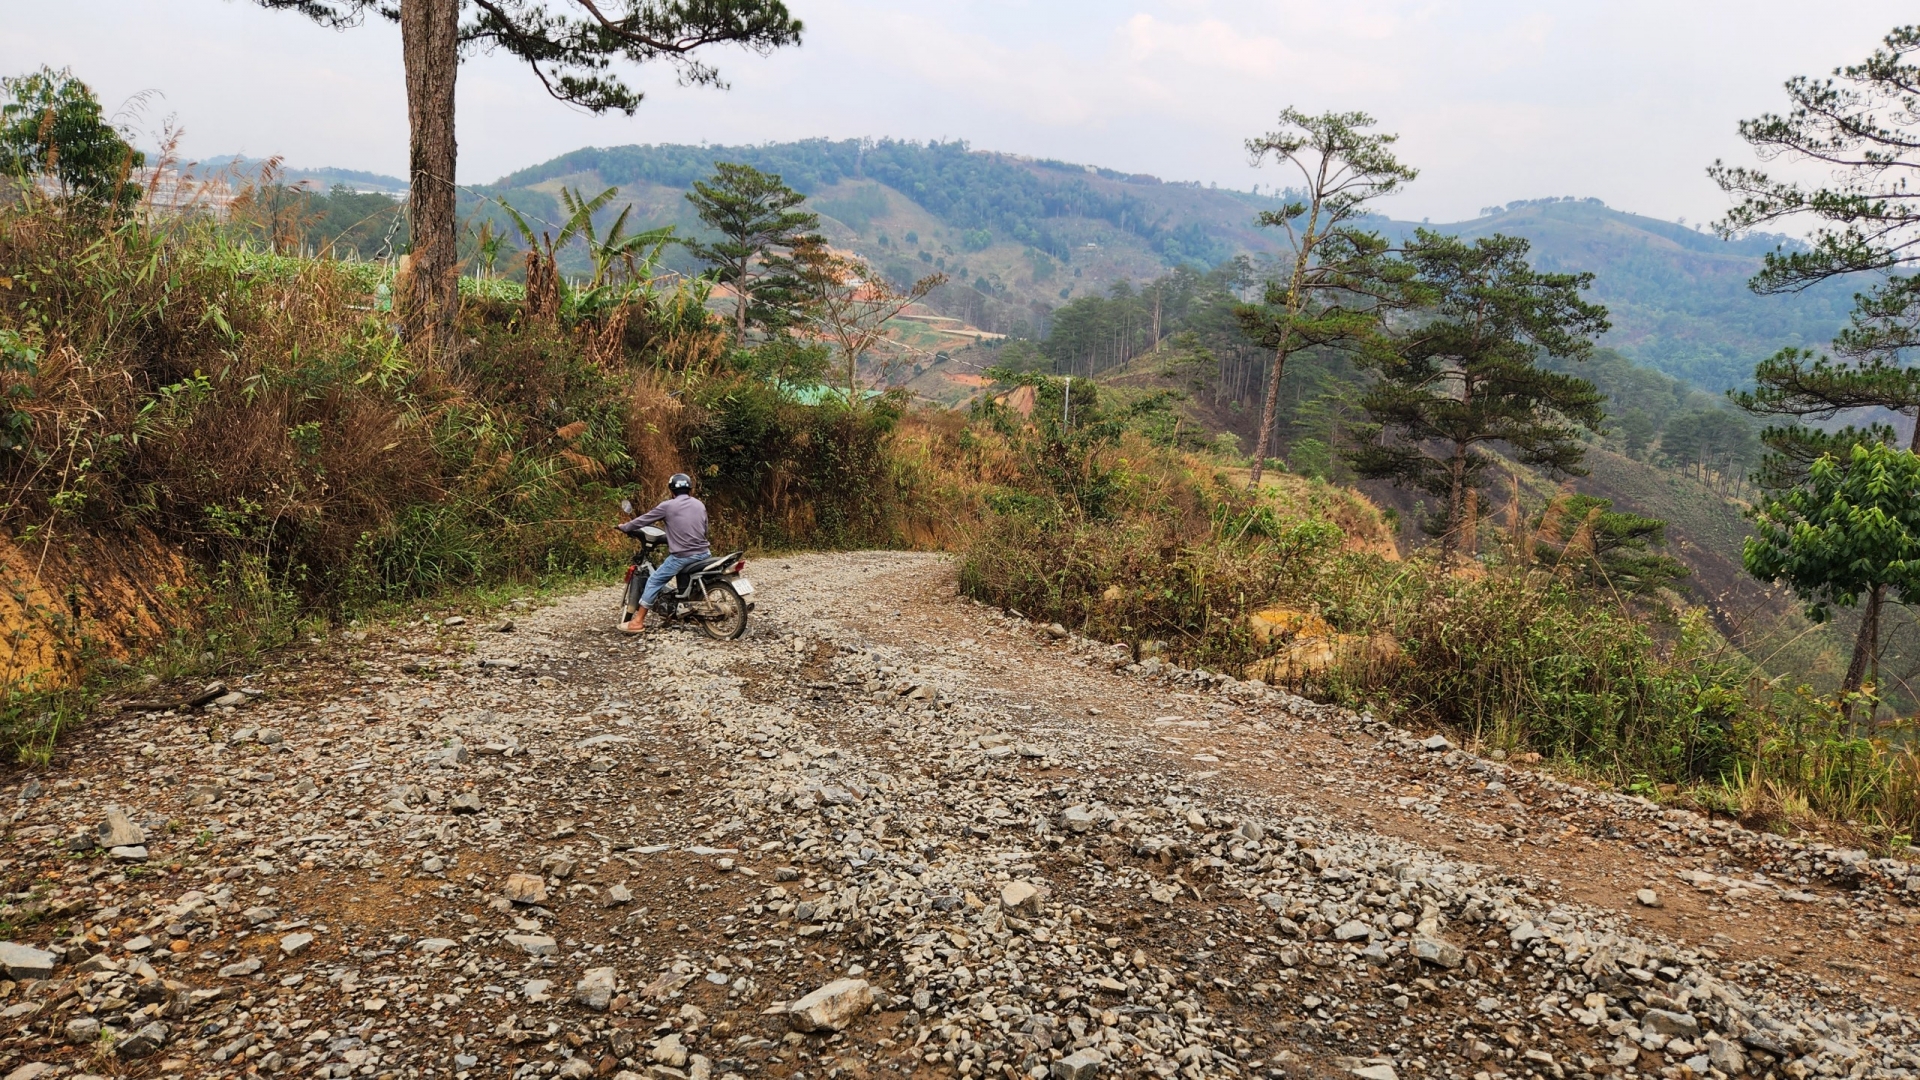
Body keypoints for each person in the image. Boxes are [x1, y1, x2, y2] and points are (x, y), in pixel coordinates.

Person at [615, 473, 709, 633]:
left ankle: (637, 622)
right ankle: (689, 613)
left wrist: (626, 527)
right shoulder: (699, 505)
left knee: (654, 580)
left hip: (683, 556)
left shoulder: (667, 506)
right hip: (704, 553)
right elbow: (703, 529)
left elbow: (645, 519)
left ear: (672, 491)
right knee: (684, 577)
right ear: (690, 490)